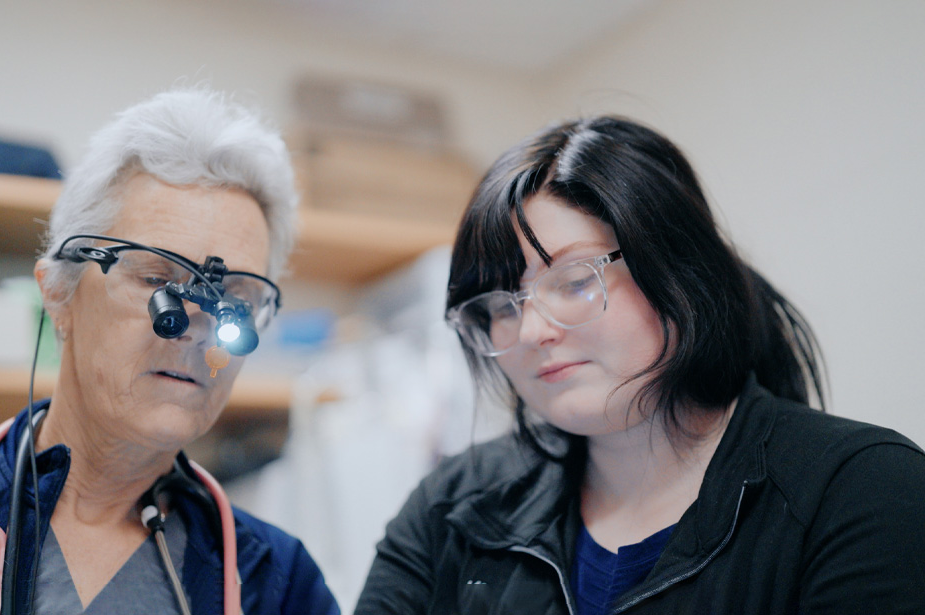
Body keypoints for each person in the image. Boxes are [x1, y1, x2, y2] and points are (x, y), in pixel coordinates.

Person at [354, 116, 925, 614]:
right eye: (501, 306)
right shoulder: (449, 507)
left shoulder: (862, 491)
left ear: (680, 270)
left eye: (575, 281)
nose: (530, 331)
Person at [0, 88, 339, 615]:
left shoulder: (277, 584)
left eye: (235, 300)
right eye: (157, 278)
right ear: (58, 292)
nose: (198, 328)